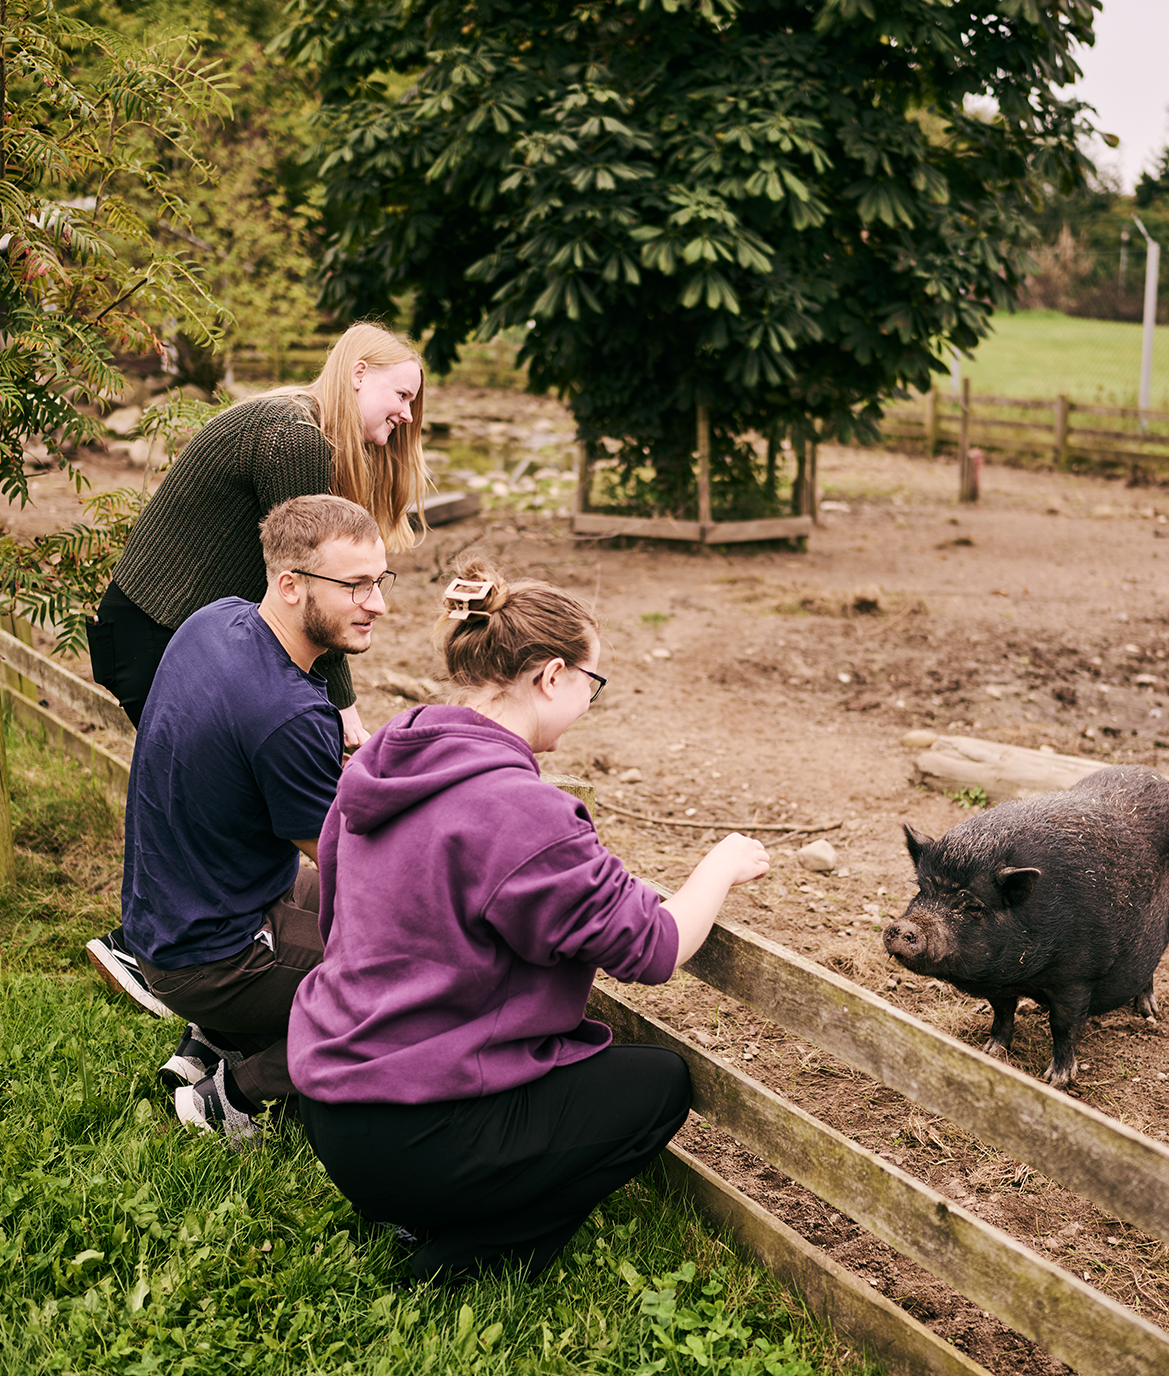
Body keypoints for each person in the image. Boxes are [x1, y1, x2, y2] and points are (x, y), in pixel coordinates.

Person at [286, 562, 770, 1282]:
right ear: (551, 677)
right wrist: (721, 865)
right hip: (420, 1130)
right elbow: (656, 947)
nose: (588, 701)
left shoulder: (388, 761)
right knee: (657, 1084)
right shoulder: (518, 809)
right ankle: (470, 1258)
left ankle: (427, 1204)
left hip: (334, 1107)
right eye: (590, 683)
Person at [108, 494, 390, 1147]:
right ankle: (232, 1095)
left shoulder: (216, 619)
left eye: (380, 581)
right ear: (290, 585)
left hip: (167, 909)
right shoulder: (289, 714)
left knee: (358, 923)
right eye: (356, 586)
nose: (378, 604)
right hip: (212, 956)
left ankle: (212, 1039)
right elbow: (358, 865)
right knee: (410, 984)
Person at [86, 320, 429, 742]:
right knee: (215, 791)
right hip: (157, 636)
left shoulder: (297, 422)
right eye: (402, 395)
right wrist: (342, 706)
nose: (408, 414)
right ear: (359, 374)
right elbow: (314, 584)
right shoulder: (294, 437)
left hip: (181, 633)